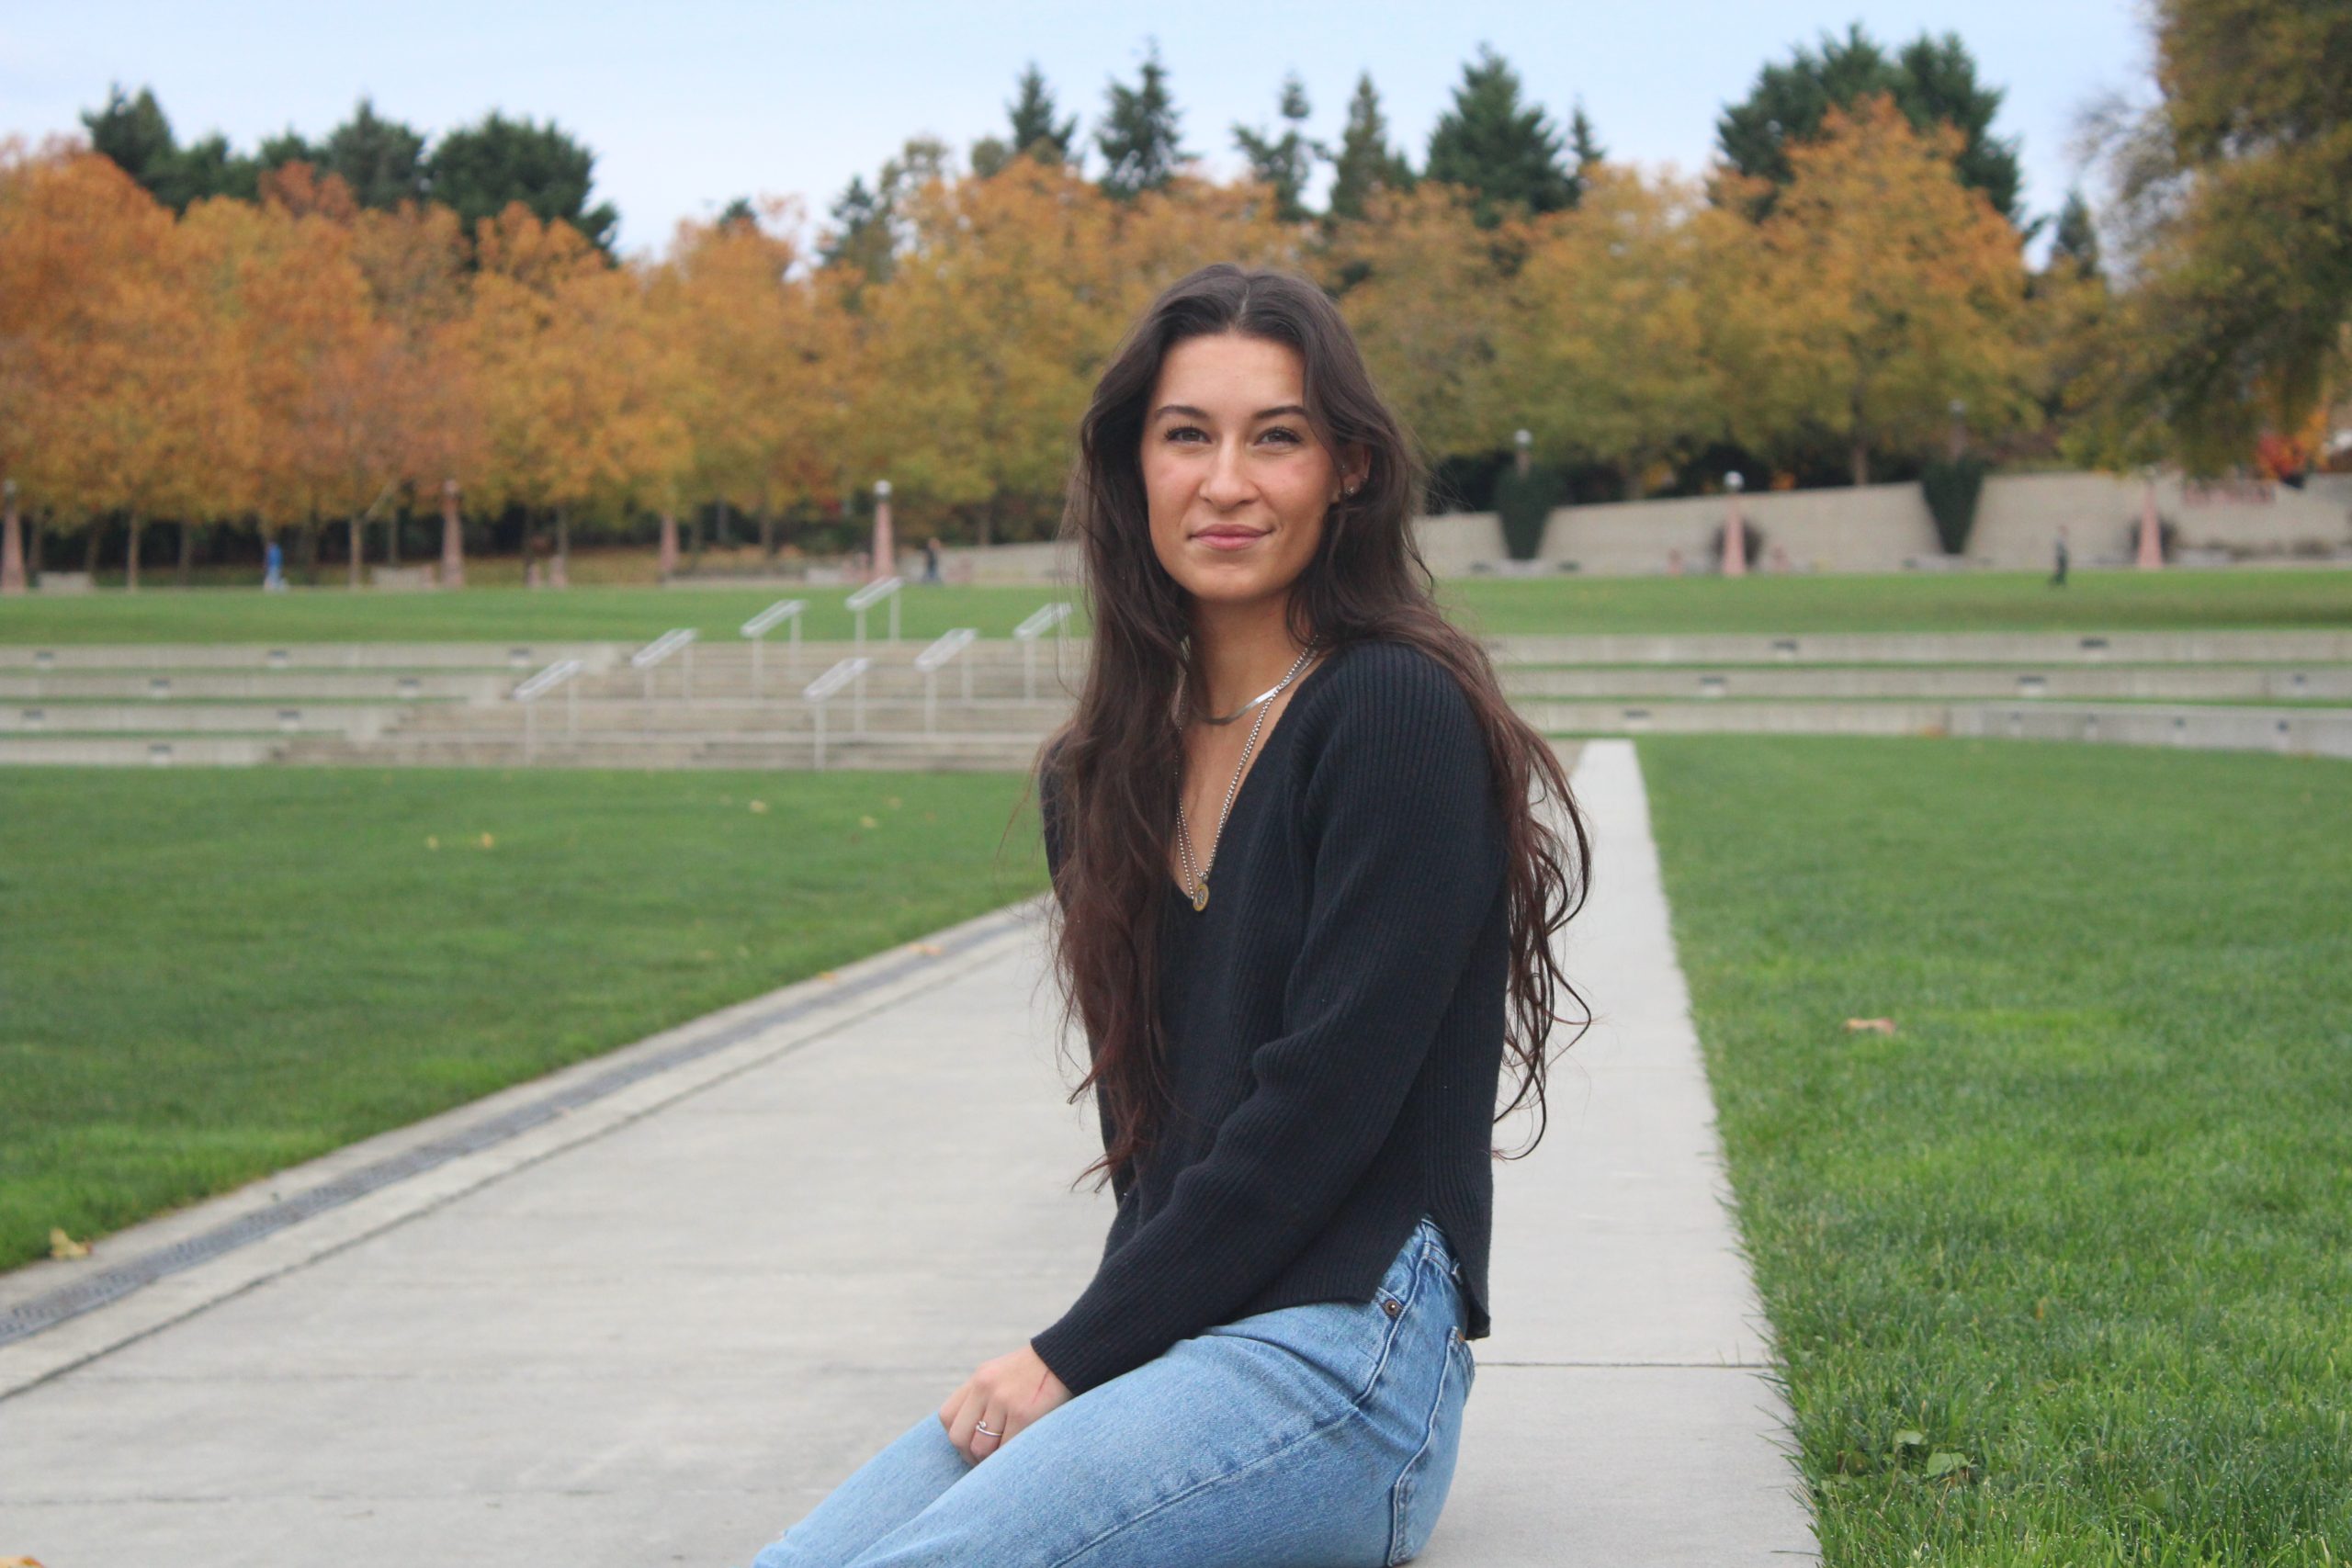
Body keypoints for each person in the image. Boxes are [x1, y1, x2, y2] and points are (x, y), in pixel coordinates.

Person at [743, 264, 1592, 1568]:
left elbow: (1319, 1114)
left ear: (1349, 470)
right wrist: (1105, 1355)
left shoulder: (1393, 714)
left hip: (1349, 1350)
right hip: (1180, 1342)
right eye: (1188, 435)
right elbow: (1152, 1156)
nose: (1227, 482)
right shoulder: (1099, 779)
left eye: (1278, 437)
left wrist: (1071, 1357)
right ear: (1132, 466)